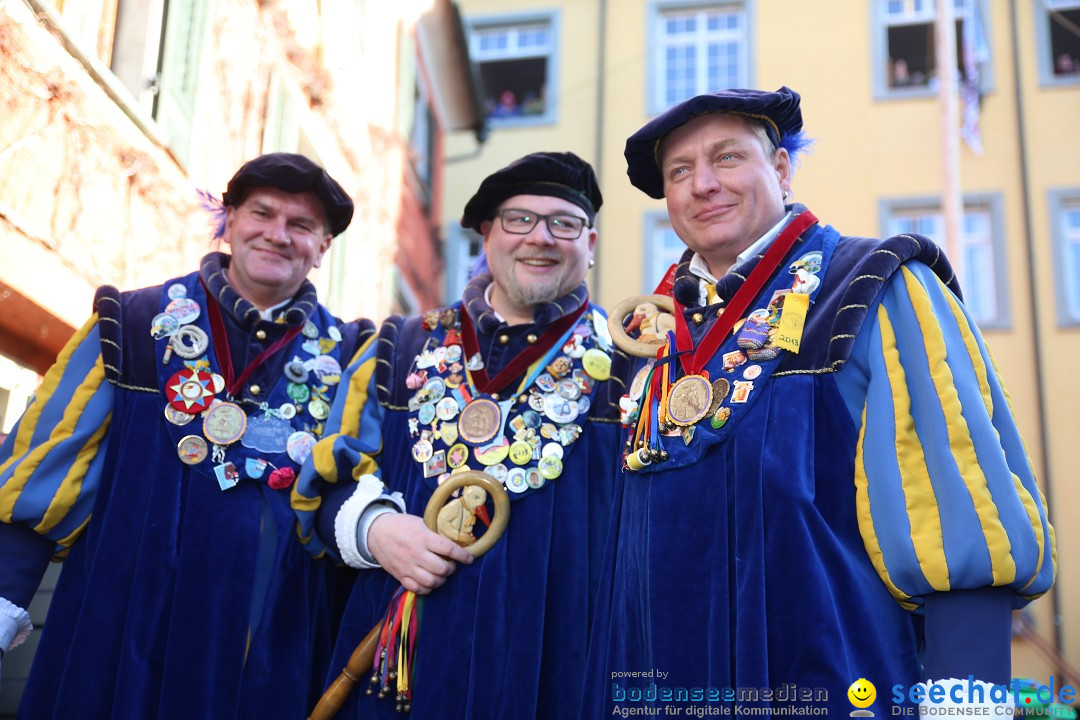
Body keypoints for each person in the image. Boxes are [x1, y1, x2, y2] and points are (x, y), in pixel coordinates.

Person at [584, 87, 1056, 716]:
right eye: (679, 171)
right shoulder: (650, 341)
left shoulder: (873, 288)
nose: (702, 185)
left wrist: (966, 706)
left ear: (780, 168)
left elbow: (958, 527)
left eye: (727, 158)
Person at [0, 153, 374, 718]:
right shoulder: (125, 325)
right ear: (228, 219)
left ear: (323, 247)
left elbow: (349, 497)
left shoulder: (351, 359)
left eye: (301, 226)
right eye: (262, 213)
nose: (278, 234)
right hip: (119, 639)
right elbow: (38, 484)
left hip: (269, 651)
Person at [293, 151, 622, 719]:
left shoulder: (630, 371)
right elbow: (323, 476)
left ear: (589, 244)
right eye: (519, 219)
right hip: (399, 671)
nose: (540, 237)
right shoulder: (397, 348)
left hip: (559, 672)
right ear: (487, 234)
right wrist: (377, 530)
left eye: (563, 223)